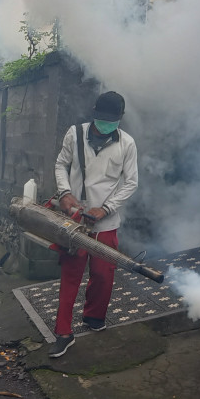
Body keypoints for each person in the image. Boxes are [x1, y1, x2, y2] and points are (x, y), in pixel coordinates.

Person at [49, 91, 138, 358]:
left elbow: (131, 182)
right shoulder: (75, 134)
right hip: (75, 220)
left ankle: (94, 316)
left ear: (120, 119)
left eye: (112, 121)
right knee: (71, 275)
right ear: (94, 113)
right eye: (102, 119)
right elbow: (61, 165)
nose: (106, 125)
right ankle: (63, 333)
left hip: (106, 222)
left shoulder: (127, 143)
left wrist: (106, 208)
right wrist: (65, 193)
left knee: (103, 274)